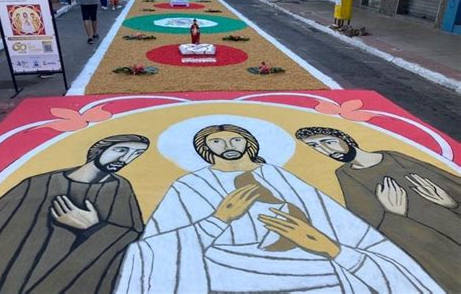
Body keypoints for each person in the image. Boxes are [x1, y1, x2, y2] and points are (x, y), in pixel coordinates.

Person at [116, 124, 442, 293]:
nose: (227, 146)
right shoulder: (189, 185)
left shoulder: (276, 175)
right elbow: (152, 249)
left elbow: (331, 216)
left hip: (307, 263)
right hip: (227, 270)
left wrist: (329, 247)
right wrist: (216, 221)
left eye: (235, 140)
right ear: (205, 150)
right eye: (217, 142)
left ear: (248, 144)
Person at [296, 126, 461, 292]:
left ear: (345, 138)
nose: (325, 150)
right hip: (435, 252)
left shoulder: (392, 157)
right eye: (315, 146)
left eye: (328, 142)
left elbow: (451, 183)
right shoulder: (346, 176)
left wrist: (451, 204)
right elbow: (367, 230)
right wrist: (395, 216)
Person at [0, 134, 149, 293]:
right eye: (121, 150)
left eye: (136, 154)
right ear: (99, 150)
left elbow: (136, 242)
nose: (125, 158)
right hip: (17, 276)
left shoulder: (121, 190)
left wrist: (94, 228)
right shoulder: (37, 184)